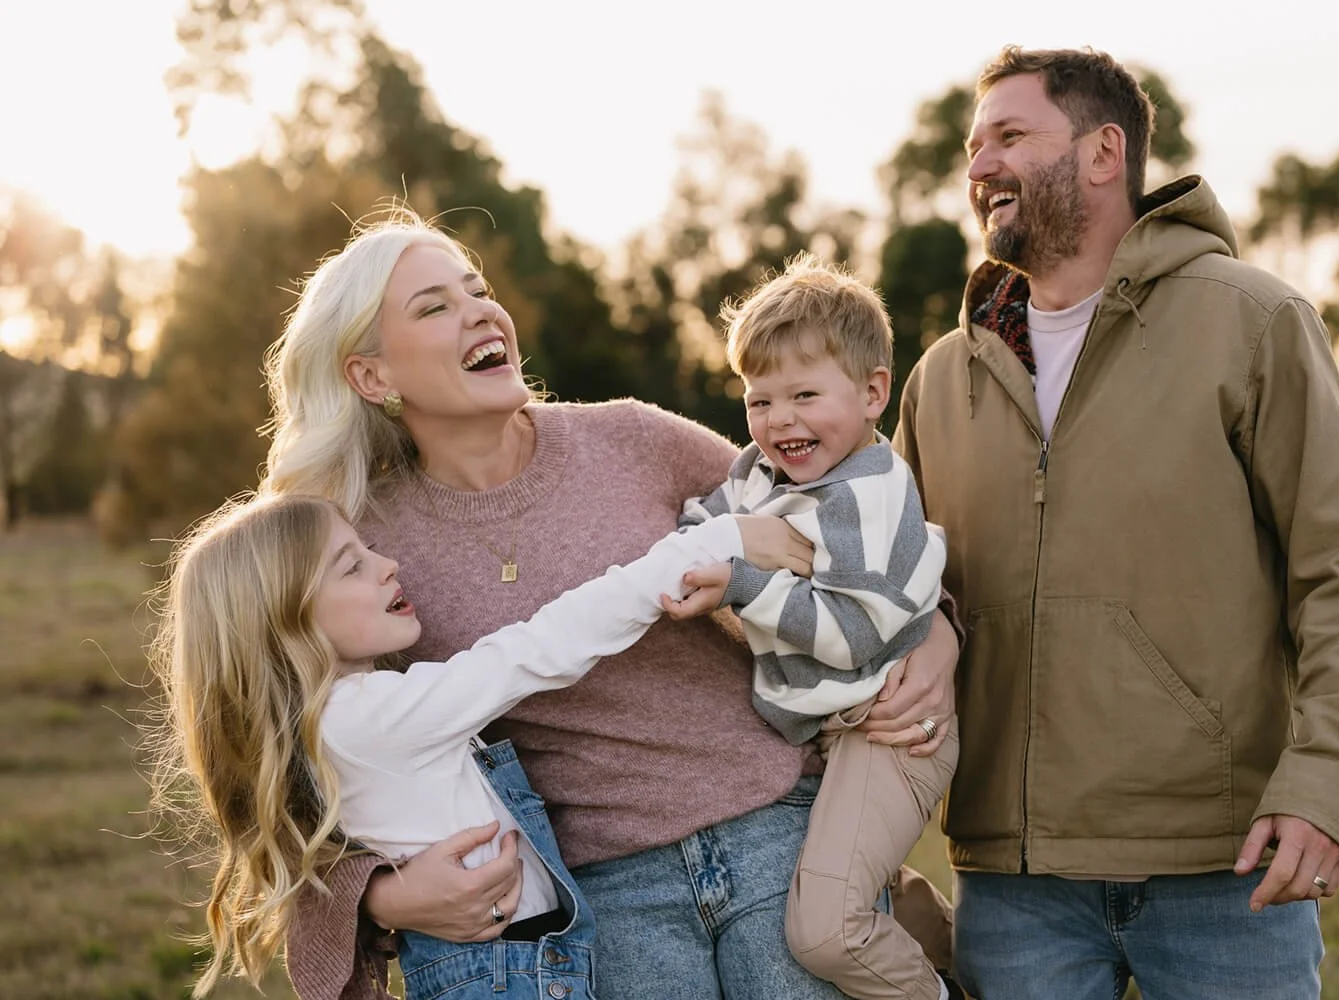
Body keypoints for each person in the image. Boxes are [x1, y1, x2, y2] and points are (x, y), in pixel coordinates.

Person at [259, 213, 960, 1000]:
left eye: (478, 290)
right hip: (605, 894)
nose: (481, 312)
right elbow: (293, 765)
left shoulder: (635, 439)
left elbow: (860, 510)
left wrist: (939, 632)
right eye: (434, 307)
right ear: (372, 378)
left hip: (778, 830)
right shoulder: (363, 549)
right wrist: (379, 894)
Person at [891, 46, 1339, 999]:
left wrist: (1325, 790)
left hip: (1222, 869)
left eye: (1010, 135)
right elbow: (889, 598)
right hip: (1013, 880)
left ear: (1103, 152)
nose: (977, 167)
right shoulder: (938, 379)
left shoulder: (1252, 323)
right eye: (972, 148)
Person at [147, 491, 747, 999]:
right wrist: (704, 547)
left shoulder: (330, 723)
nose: (387, 564)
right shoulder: (362, 718)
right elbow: (539, 649)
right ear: (283, 622)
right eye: (350, 566)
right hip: (505, 975)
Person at [663, 253, 960, 1000]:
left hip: (890, 729)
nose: (780, 420)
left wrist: (741, 582)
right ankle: (956, 954)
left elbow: (851, 634)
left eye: (803, 395)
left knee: (824, 928)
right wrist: (693, 545)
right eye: (760, 400)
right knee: (862, 881)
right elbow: (704, 522)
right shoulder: (762, 472)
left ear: (871, 393)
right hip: (829, 729)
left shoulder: (869, 493)